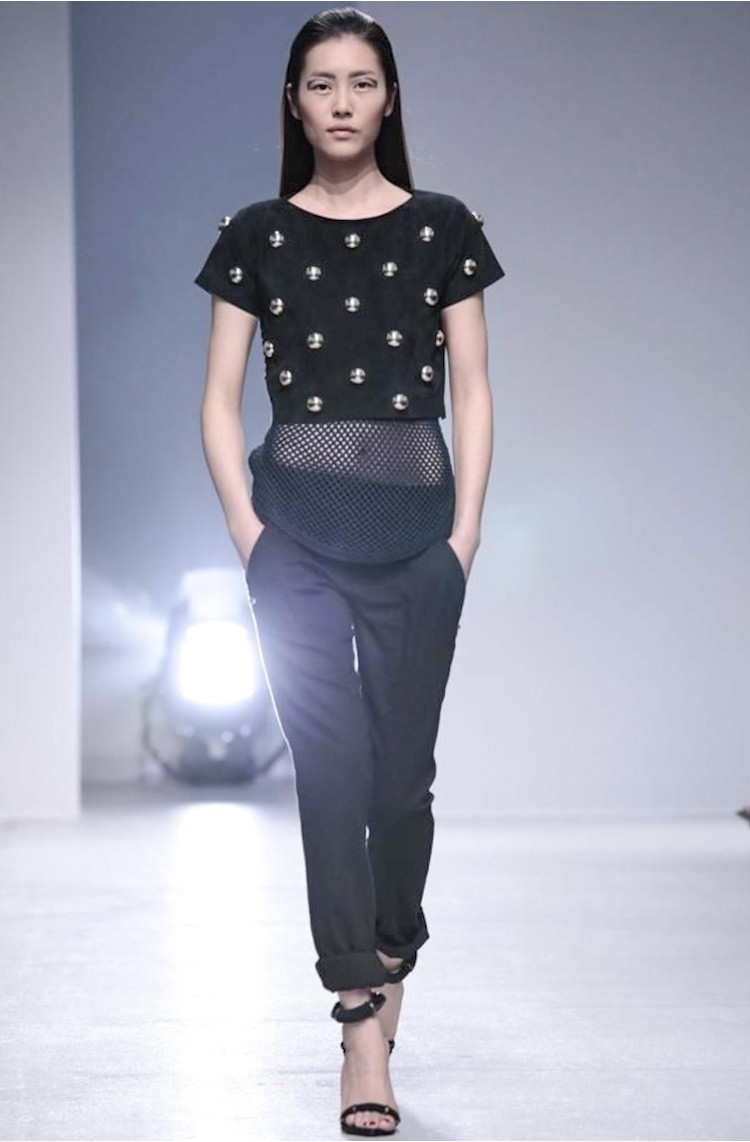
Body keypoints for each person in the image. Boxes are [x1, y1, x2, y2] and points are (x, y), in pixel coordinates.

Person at [194, 7, 505, 1136]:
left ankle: (392, 948)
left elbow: (471, 388)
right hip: (295, 544)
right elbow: (218, 398)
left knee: (398, 782)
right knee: (327, 774)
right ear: (293, 102)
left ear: (388, 99)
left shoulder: (443, 228)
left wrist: (463, 536)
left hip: (418, 539)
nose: (339, 101)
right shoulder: (255, 235)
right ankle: (360, 1021)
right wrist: (251, 532)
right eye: (320, 83)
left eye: (361, 82)